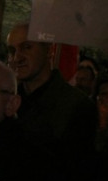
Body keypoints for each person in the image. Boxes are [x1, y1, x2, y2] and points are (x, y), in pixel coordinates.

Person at [7, 22, 98, 161]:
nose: (17, 57)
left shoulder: (78, 106)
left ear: (49, 50)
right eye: (12, 51)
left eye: (27, 47)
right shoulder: (5, 99)